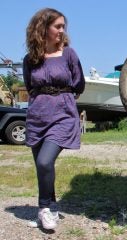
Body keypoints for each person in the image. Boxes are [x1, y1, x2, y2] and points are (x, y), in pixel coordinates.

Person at [23, 8, 85, 230]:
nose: (62, 30)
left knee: (44, 161)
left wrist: (62, 97)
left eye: (62, 26)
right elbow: (30, 87)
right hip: (37, 116)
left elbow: (79, 83)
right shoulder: (30, 60)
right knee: (43, 168)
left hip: (62, 116)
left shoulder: (69, 54)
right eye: (57, 26)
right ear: (43, 28)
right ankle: (53, 208)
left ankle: (43, 209)